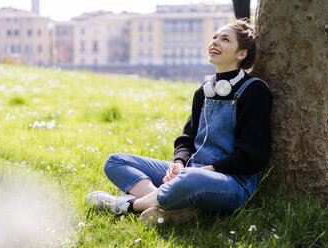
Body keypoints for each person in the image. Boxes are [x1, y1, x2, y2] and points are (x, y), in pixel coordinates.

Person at [86, 19, 272, 226]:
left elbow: (253, 157)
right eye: (214, 37)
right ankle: (171, 205)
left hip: (232, 182)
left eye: (225, 39)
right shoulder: (204, 91)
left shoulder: (255, 90)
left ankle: (128, 205)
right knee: (115, 161)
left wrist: (197, 172)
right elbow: (186, 139)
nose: (215, 42)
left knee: (189, 181)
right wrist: (178, 164)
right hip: (189, 171)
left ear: (241, 53)